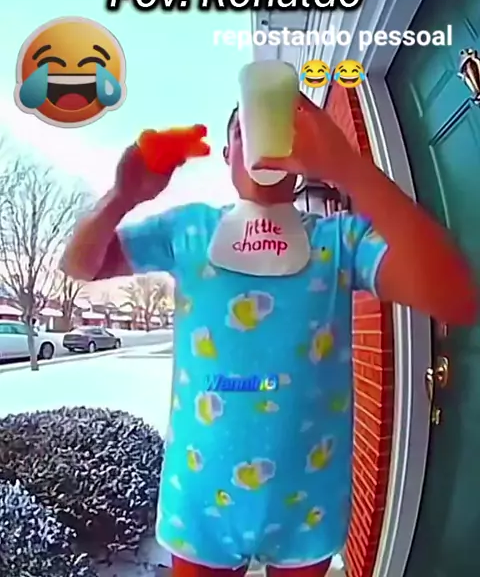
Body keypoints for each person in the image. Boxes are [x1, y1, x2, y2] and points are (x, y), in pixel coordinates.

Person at [61, 94, 477, 577]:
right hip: (200, 504)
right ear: (226, 155)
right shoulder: (188, 230)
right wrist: (122, 196)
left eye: (274, 123)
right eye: (244, 130)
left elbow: (458, 299)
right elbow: (79, 265)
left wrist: (347, 166)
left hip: (308, 505)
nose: (260, 138)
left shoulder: (339, 242)